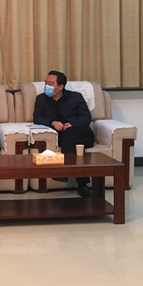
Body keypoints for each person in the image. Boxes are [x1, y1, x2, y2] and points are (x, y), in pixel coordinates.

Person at [33, 70, 95, 198]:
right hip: (62, 137)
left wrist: (72, 124)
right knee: (75, 145)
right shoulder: (41, 99)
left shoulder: (75, 97)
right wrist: (53, 122)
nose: (46, 86)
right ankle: (82, 184)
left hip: (81, 133)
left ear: (60, 87)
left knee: (71, 133)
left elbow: (86, 117)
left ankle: (64, 172)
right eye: (46, 83)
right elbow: (37, 118)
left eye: (50, 84)